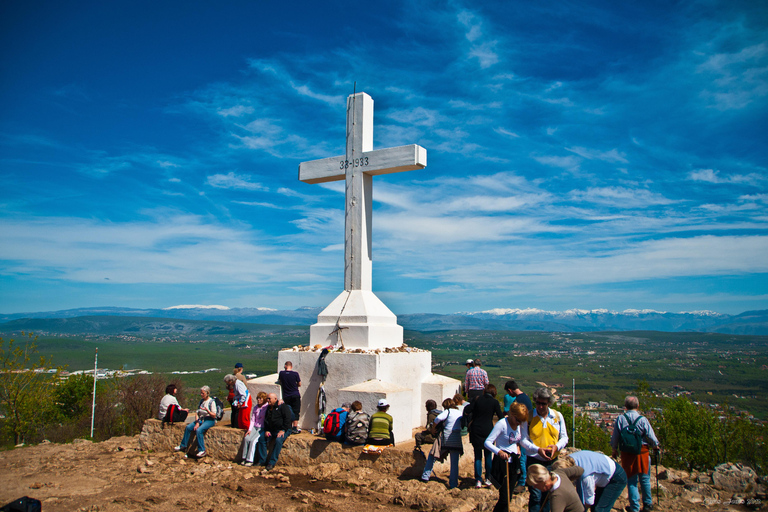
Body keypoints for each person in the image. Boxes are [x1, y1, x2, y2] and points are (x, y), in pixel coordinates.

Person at [521, 387, 569, 512]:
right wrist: (537, 449)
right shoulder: (529, 417)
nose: (540, 406)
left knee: (548, 494)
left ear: (549, 403)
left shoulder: (557, 417)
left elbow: (564, 437)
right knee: (535, 495)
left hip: (552, 461)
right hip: (534, 460)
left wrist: (556, 447)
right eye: (538, 403)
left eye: (543, 403)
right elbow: (523, 440)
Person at [610, 396, 659, 512]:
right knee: (645, 479)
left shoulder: (621, 419)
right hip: (642, 451)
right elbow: (651, 436)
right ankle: (647, 504)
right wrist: (656, 446)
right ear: (638, 406)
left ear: (625, 407)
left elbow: (615, 436)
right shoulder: (642, 419)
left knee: (631, 481)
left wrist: (614, 449)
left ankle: (635, 507)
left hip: (627, 453)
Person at [485, 402, 530, 512]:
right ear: (512, 415)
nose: (519, 423)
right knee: (504, 498)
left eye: (521, 421)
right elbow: (487, 442)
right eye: (517, 420)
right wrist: (499, 451)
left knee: (509, 497)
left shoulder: (521, 425)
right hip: (502, 462)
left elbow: (522, 440)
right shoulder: (502, 424)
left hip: (514, 462)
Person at [553, 451, 627, 512]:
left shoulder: (586, 476)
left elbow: (589, 500)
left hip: (616, 478)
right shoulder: (570, 460)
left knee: (600, 510)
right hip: (606, 473)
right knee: (595, 508)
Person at [464, 384, 503, 488]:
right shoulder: (494, 402)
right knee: (488, 455)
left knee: (477, 456)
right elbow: (501, 417)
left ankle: (478, 480)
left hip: (476, 429)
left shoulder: (477, 399)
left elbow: (467, 410)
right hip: (488, 430)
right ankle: (488, 478)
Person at [421, 398, 464, 489]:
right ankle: (453, 484)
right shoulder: (460, 412)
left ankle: (425, 476)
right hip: (457, 438)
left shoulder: (448, 411)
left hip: (446, 437)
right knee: (454, 462)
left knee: (433, 455)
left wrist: (433, 429)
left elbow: (438, 419)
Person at [504, 380, 533, 489]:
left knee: (522, 456)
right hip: (528, 429)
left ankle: (522, 481)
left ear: (510, 390)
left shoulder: (519, 400)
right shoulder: (525, 397)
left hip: (523, 431)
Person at [174, 386, 217, 458]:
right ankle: (183, 445)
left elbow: (214, 415)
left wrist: (208, 411)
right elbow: (197, 413)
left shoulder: (211, 402)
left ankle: (202, 450)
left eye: (203, 393)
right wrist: (197, 422)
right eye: (201, 393)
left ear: (207, 393)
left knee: (199, 430)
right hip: (201, 419)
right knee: (188, 427)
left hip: (209, 419)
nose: (201, 394)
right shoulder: (201, 401)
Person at [256, 392, 293, 470]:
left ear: (275, 399)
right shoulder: (268, 408)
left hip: (283, 429)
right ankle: (262, 460)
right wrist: (267, 430)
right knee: (262, 439)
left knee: (279, 440)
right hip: (272, 430)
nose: (268, 400)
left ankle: (272, 462)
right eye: (267, 398)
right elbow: (266, 420)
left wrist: (283, 430)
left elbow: (287, 419)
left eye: (269, 398)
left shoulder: (282, 407)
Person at [240, 391, 268, 466]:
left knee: (253, 441)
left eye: (260, 398)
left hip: (261, 428)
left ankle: (250, 459)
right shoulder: (256, 407)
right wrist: (249, 430)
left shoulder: (266, 407)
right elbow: (253, 419)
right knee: (246, 438)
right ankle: (244, 457)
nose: (259, 400)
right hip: (255, 427)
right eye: (258, 398)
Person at [278, 361, 302, 433]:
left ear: (285, 366)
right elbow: (299, 384)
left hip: (286, 395)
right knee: (296, 411)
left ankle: (289, 426)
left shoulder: (281, 373)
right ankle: (294, 428)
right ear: (291, 367)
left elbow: (280, 381)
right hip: (295, 394)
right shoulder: (295, 374)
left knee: (288, 411)